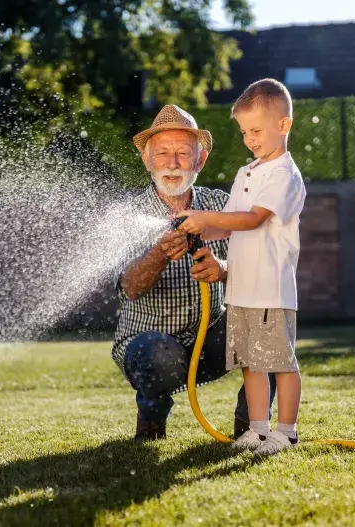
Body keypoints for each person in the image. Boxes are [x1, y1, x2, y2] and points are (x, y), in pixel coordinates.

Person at [112, 104, 276, 443]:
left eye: (183, 154)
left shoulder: (222, 206)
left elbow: (263, 267)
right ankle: (151, 424)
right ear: (147, 160)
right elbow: (129, 287)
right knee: (156, 352)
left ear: (199, 161)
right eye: (162, 154)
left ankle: (251, 431)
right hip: (149, 347)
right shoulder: (128, 215)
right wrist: (158, 254)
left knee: (266, 323)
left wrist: (224, 269)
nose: (172, 164)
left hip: (210, 340)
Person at [176, 79, 307, 458]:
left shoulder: (284, 174)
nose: (250, 139)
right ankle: (258, 430)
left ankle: (287, 432)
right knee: (251, 364)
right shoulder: (246, 172)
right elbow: (227, 223)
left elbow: (252, 220)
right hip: (242, 290)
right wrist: (196, 224)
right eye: (245, 132)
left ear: (283, 126)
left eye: (257, 130)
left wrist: (205, 217)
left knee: (280, 363)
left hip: (270, 289)